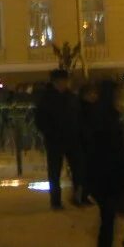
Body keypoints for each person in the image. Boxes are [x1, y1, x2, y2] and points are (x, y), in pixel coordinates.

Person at [84, 80, 124, 247]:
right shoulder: (107, 118)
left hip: (102, 173)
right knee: (108, 217)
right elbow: (111, 148)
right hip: (107, 174)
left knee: (108, 217)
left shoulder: (99, 115)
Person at [34, 69, 84, 209]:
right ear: (55, 82)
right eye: (61, 81)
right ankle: (56, 200)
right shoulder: (47, 98)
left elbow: (78, 116)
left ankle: (77, 197)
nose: (64, 83)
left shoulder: (70, 97)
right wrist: (49, 132)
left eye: (65, 81)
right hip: (55, 139)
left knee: (78, 169)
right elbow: (40, 119)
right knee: (55, 171)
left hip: (71, 138)